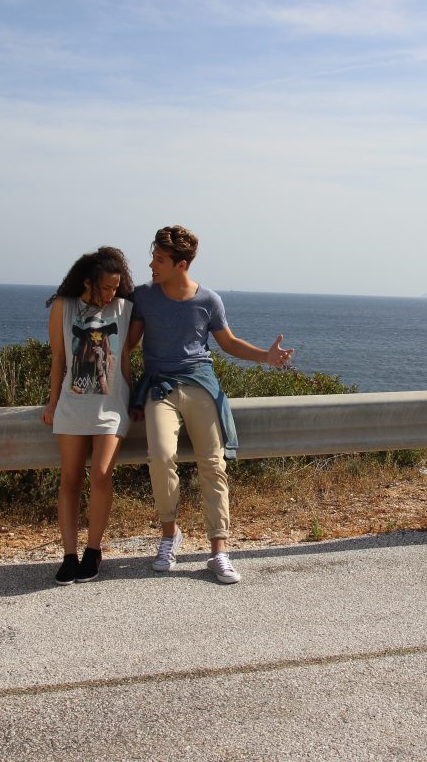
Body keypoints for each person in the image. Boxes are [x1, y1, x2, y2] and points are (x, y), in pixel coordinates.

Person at [122, 225, 294, 584]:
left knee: (213, 464)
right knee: (160, 456)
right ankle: (170, 536)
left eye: (159, 259)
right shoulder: (144, 296)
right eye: (153, 257)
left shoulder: (209, 300)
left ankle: (219, 551)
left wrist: (266, 357)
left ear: (181, 264)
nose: (151, 265)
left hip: (200, 384)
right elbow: (129, 344)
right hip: (160, 387)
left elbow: (227, 343)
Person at [41, 248, 135, 585]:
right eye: (106, 287)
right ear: (87, 282)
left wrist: (133, 398)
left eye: (115, 288)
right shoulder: (63, 307)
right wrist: (52, 403)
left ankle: (93, 551)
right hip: (73, 406)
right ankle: (69, 555)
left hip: (111, 407)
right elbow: (58, 359)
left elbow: (125, 357)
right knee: (70, 480)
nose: (111, 294)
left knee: (100, 474)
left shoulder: (123, 308)